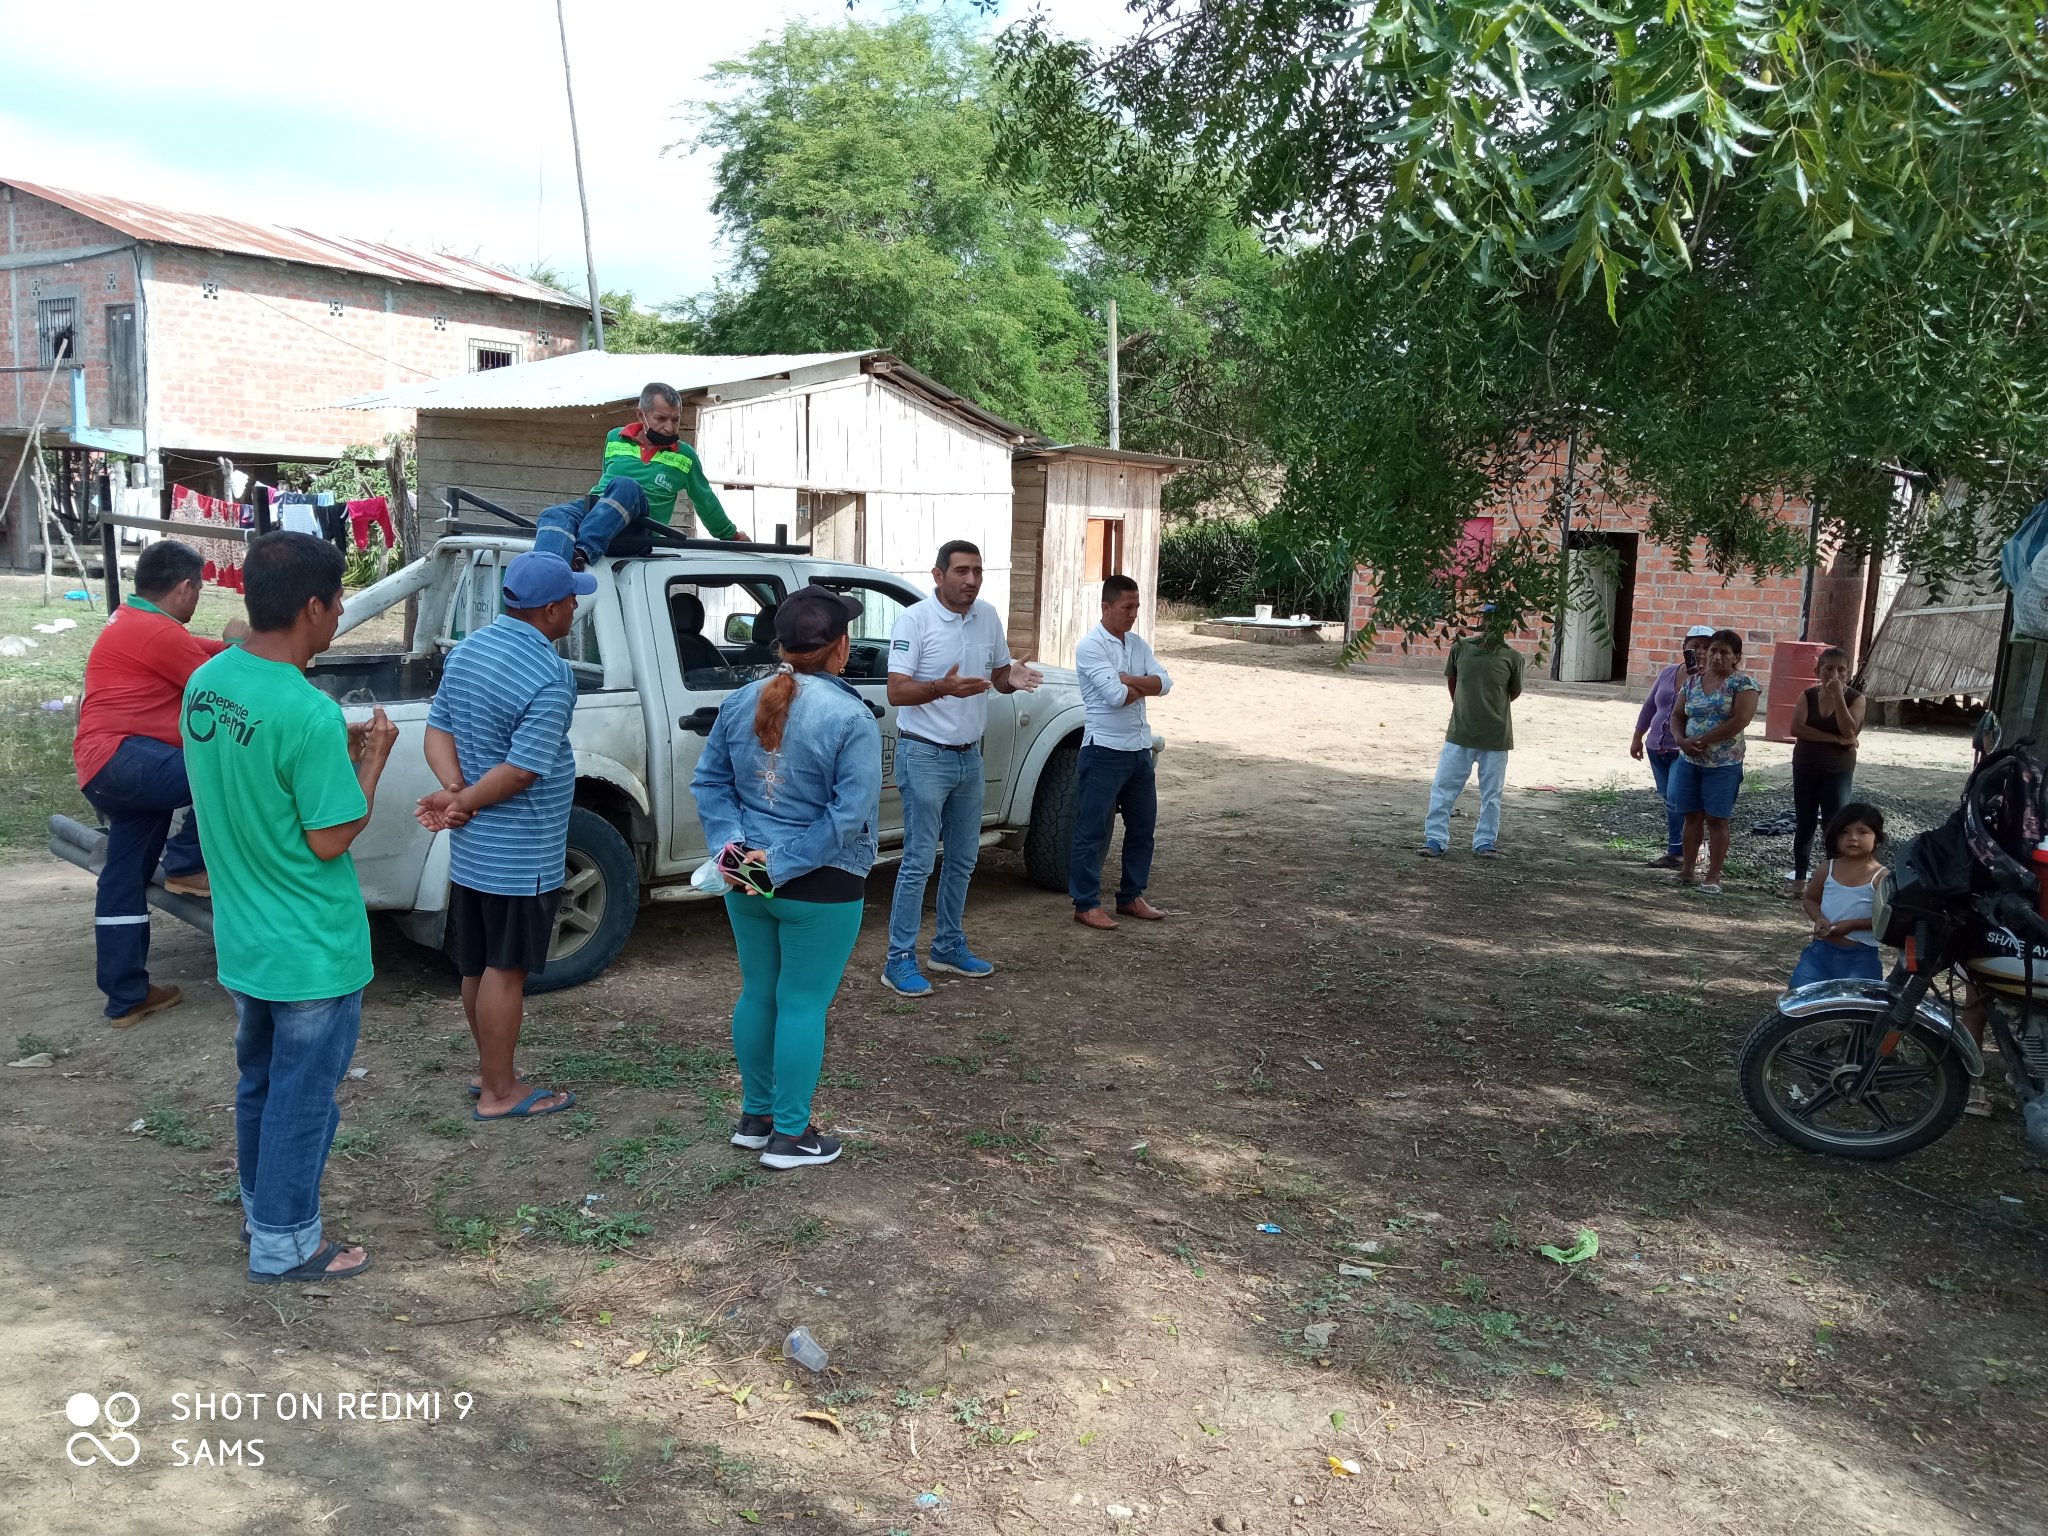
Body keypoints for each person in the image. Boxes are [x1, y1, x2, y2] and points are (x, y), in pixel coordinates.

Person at [182, 531, 397, 1284]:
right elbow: (330, 837)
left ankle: (261, 1209)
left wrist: (331, 756)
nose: (339, 615)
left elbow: (254, 783)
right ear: (312, 607)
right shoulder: (307, 712)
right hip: (310, 947)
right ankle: (286, 1242)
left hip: (245, 939)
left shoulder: (209, 683)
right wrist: (372, 760)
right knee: (303, 1100)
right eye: (337, 603)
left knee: (261, 1084)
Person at [691, 584, 882, 1169]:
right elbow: (847, 819)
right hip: (822, 881)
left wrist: (735, 857)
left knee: (759, 993)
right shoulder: (852, 716)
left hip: (746, 876)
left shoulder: (738, 700)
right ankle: (792, 1136)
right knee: (802, 1005)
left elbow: (710, 783)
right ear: (840, 647)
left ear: (780, 645)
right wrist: (778, 864)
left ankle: (757, 1119)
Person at [415, 551, 592, 1122]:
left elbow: (438, 730)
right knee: (506, 969)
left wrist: (455, 792)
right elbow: (521, 771)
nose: (575, 609)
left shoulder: (469, 650)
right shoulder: (550, 674)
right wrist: (462, 800)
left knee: (478, 965)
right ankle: (499, 1092)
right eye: (571, 600)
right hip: (522, 852)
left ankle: (489, 1070)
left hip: (473, 849)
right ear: (549, 610)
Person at [72, 539, 246, 1026]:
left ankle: (126, 995)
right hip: (124, 759)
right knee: (227, 764)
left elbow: (203, 651)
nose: (198, 599)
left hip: (105, 769)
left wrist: (235, 646)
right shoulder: (156, 633)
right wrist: (244, 646)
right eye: (200, 590)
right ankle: (187, 865)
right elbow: (223, 683)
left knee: (124, 879)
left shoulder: (134, 620)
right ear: (185, 587)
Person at [881, 540, 1041, 997]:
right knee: (918, 861)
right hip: (924, 754)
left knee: (963, 859)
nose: (971, 580)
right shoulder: (915, 620)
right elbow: (896, 692)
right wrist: (942, 688)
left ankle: (948, 946)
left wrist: (1012, 679)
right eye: (962, 571)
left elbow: (997, 676)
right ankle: (898, 960)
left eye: (977, 571)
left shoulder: (987, 616)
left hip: (969, 756)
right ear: (938, 575)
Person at [533, 382, 750, 567]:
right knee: (553, 515)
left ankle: (582, 554)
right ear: (641, 415)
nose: (669, 427)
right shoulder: (614, 437)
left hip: (639, 527)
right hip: (599, 511)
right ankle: (550, 574)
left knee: (625, 487)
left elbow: (706, 501)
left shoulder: (685, 456)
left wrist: (731, 535)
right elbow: (605, 482)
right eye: (661, 419)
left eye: (675, 420)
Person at [1071, 573, 1171, 929]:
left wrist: (1129, 679)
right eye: (1127, 607)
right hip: (1104, 750)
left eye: (1136, 607)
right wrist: (1141, 685)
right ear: (1106, 607)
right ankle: (1086, 903)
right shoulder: (1091, 647)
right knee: (1092, 829)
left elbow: (1166, 683)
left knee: (1143, 827)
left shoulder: (1137, 644)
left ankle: (1131, 895)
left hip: (1139, 749)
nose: (1133, 614)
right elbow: (1115, 697)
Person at [1419, 610, 1525, 859]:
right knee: (1443, 788)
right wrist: (1465, 708)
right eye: (1487, 619)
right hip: (1460, 733)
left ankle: (1485, 842)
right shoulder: (1461, 649)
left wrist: (1488, 708)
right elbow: (1453, 682)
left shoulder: (1512, 657)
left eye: (1497, 620)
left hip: (1495, 737)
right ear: (1479, 622)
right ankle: (1435, 839)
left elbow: (1513, 692)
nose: (1490, 625)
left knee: (1492, 794)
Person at [1668, 627, 1761, 894]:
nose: (1717, 656)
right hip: (1689, 760)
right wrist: (1681, 740)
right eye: (1713, 650)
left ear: (1736, 657)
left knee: (1717, 819)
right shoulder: (1692, 682)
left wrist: (1704, 740)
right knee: (1691, 816)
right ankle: (1687, 870)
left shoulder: (1743, 684)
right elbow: (1677, 715)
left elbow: (1741, 720)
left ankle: (1713, 876)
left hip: (1723, 764)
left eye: (1725, 652)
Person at [1630, 625, 1715, 871]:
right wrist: (1638, 737)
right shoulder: (1669, 672)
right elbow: (1650, 705)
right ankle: (1677, 850)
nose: (1700, 652)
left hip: (1683, 749)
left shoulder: (1711, 680)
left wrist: (1701, 677)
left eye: (1706, 647)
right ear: (1684, 647)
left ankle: (1691, 849)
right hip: (1656, 747)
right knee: (1669, 798)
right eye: (1695, 646)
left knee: (1678, 797)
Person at [1788, 646, 1866, 891]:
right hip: (1805, 766)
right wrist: (1834, 739)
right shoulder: (1807, 696)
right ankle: (1799, 879)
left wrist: (1839, 698)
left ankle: (1833, 882)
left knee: (1835, 824)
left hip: (1837, 770)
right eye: (1828, 669)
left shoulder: (1856, 699)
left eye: (1841, 670)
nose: (1834, 675)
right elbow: (1796, 728)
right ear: (1817, 671)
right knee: (1805, 822)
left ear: (1848, 673)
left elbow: (1849, 730)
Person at [1789, 803, 1886, 988]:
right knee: (1801, 996)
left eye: (1862, 832)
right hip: (1819, 954)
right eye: (1845, 832)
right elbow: (1810, 899)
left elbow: (1885, 921)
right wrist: (1819, 918)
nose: (1853, 838)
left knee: (1858, 1003)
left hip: (1860, 959)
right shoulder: (1827, 868)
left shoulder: (1881, 877)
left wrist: (1854, 925)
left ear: (1878, 837)